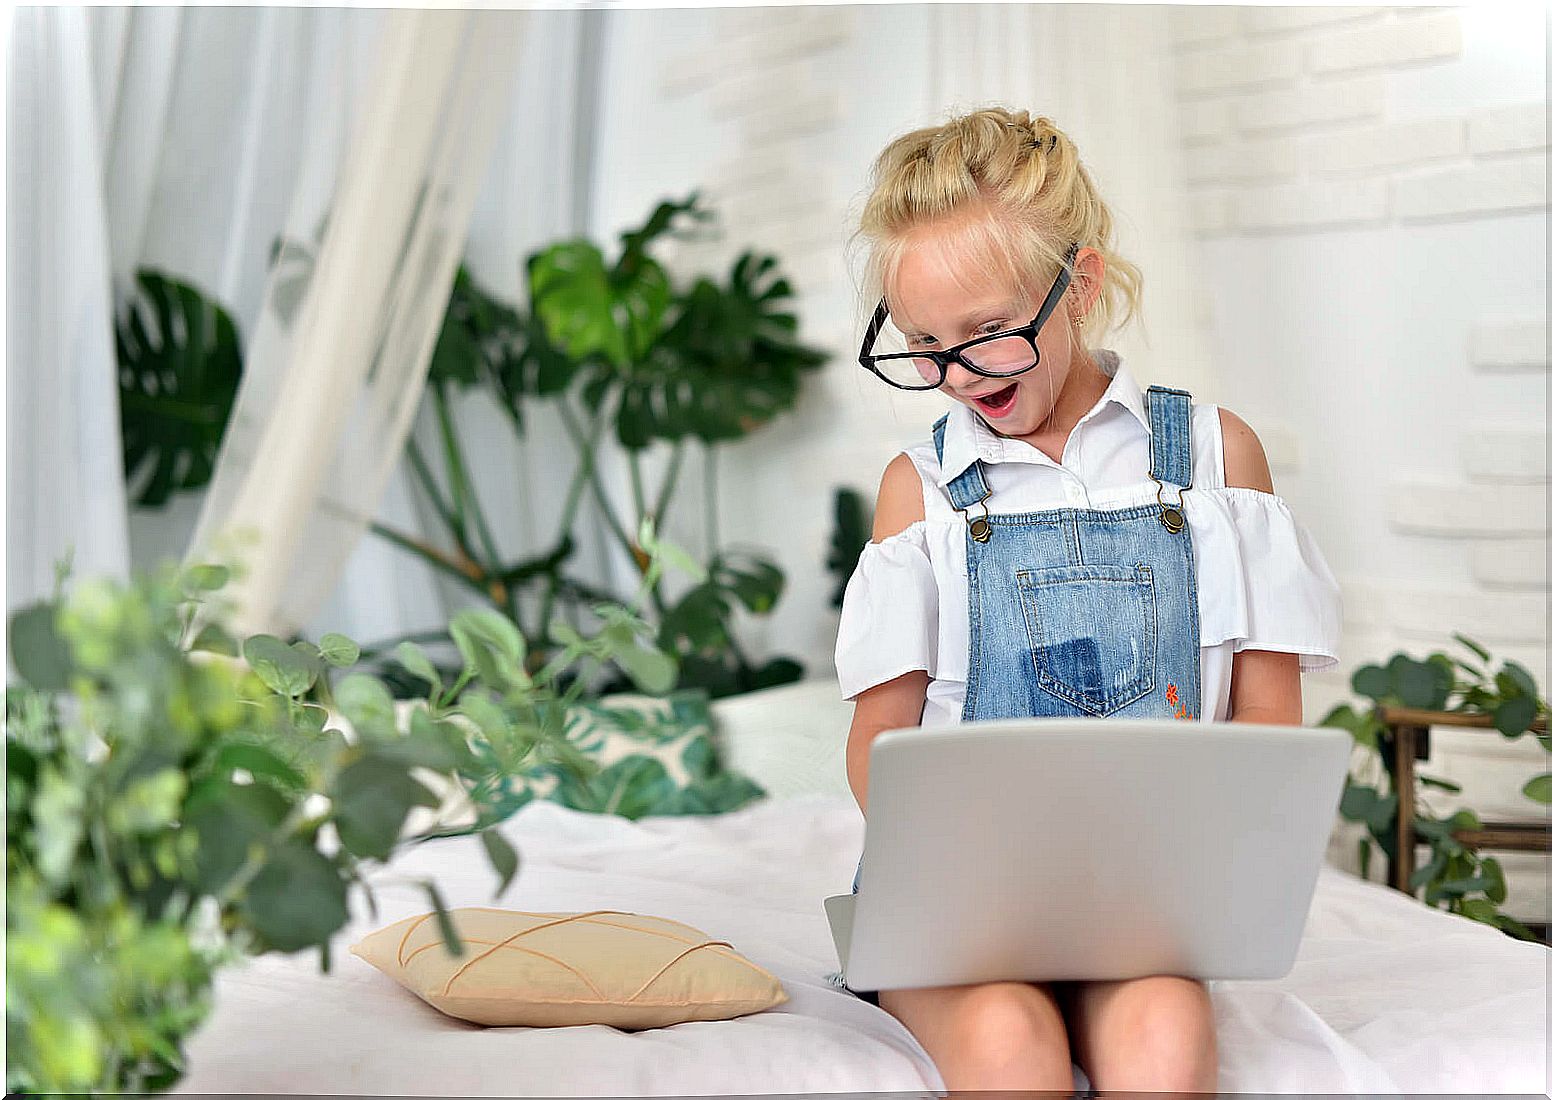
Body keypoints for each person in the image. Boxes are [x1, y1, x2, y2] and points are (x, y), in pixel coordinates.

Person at [831, 107, 1343, 1092]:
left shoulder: (1211, 459)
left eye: (986, 333)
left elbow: (1270, 722)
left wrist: (1214, 878)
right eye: (923, 343)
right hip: (962, 906)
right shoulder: (921, 488)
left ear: (1083, 283)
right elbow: (875, 739)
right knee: (1010, 1045)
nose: (954, 373)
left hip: (1143, 903)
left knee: (1161, 1041)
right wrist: (960, 868)